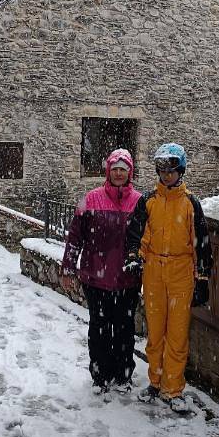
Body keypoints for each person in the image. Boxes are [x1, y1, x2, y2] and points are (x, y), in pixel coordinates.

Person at [124, 143, 212, 414]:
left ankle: (172, 388)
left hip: (181, 272)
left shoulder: (190, 204)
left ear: (180, 170)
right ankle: (155, 380)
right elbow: (136, 233)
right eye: (162, 169)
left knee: (177, 334)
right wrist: (133, 256)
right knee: (155, 332)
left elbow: (202, 244)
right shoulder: (148, 200)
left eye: (172, 169)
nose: (167, 174)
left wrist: (203, 278)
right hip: (153, 272)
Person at [62, 148, 142, 396]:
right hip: (95, 277)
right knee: (99, 327)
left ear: (130, 173)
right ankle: (100, 375)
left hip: (127, 278)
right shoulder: (91, 199)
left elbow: (147, 239)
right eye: (115, 169)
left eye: (123, 170)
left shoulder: (140, 202)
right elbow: (75, 236)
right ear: (108, 171)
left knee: (124, 328)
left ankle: (123, 374)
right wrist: (68, 267)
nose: (119, 174)